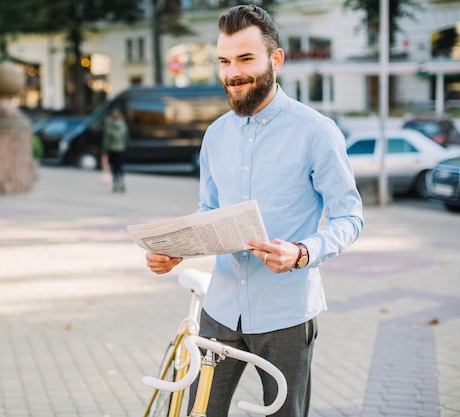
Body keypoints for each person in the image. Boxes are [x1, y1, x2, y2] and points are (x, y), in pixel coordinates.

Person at [144, 5, 364, 417]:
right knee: (200, 413)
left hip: (286, 313)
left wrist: (301, 252)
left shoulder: (317, 132)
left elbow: (350, 217)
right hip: (221, 306)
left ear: (275, 59)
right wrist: (178, 248)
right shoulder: (215, 135)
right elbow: (209, 211)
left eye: (246, 59)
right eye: (224, 61)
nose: (233, 72)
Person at [101, 108, 129, 192]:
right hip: (121, 149)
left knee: (113, 167)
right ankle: (122, 182)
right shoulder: (123, 125)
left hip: (112, 149)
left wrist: (104, 151)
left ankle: (115, 184)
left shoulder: (109, 126)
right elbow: (126, 138)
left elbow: (106, 140)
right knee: (120, 167)